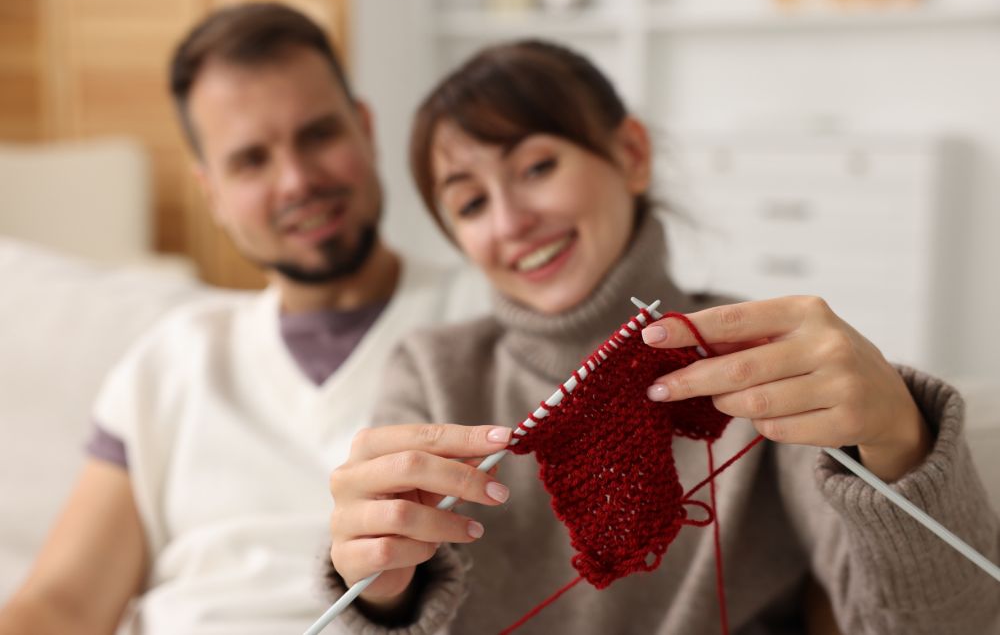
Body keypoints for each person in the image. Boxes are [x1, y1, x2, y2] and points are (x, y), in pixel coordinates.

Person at [326, 39, 1000, 634]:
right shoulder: (431, 372)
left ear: (631, 155)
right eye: (471, 202)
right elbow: (385, 593)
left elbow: (944, 626)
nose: (510, 222)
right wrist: (381, 592)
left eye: (536, 168)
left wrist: (902, 441)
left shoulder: (763, 360)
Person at [0, 2, 485, 635]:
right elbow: (63, 603)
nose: (297, 181)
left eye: (318, 135)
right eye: (252, 160)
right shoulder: (169, 361)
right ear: (213, 194)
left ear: (365, 129)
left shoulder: (492, 317)